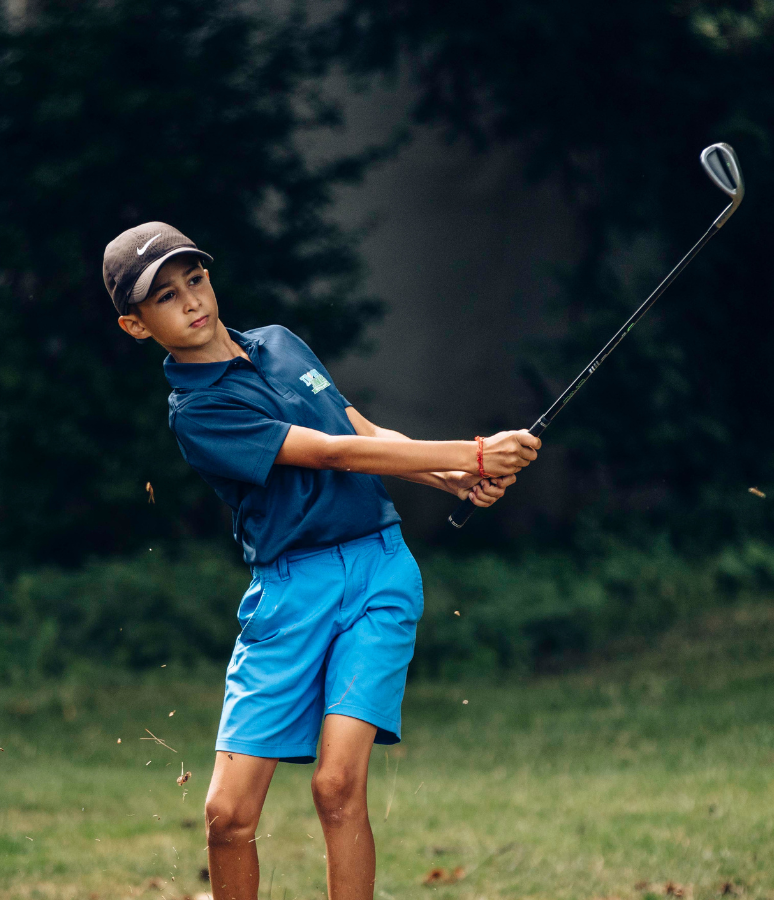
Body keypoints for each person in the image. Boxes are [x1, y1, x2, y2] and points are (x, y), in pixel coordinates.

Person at [104, 222, 541, 899]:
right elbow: (333, 455)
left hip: (377, 573)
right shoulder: (198, 410)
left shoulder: (280, 343)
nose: (191, 300)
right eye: (165, 297)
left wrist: (449, 479)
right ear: (137, 326)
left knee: (338, 785)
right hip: (289, 595)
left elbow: (358, 431)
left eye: (195, 279)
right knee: (226, 815)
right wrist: (471, 452)